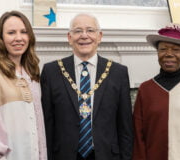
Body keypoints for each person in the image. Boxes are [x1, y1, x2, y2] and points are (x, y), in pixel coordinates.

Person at [41, 13, 133, 160]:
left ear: (99, 36)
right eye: (77, 31)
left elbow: (125, 126)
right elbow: (47, 123)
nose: (84, 36)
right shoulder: (51, 72)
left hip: (106, 155)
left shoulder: (118, 73)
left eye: (90, 30)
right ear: (69, 38)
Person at [0, 10, 47, 160]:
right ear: (1, 38)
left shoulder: (33, 74)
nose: (18, 38)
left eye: (24, 32)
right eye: (11, 33)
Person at [133, 24, 180, 160]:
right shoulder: (146, 89)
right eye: (163, 49)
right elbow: (138, 135)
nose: (169, 54)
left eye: (176, 49)